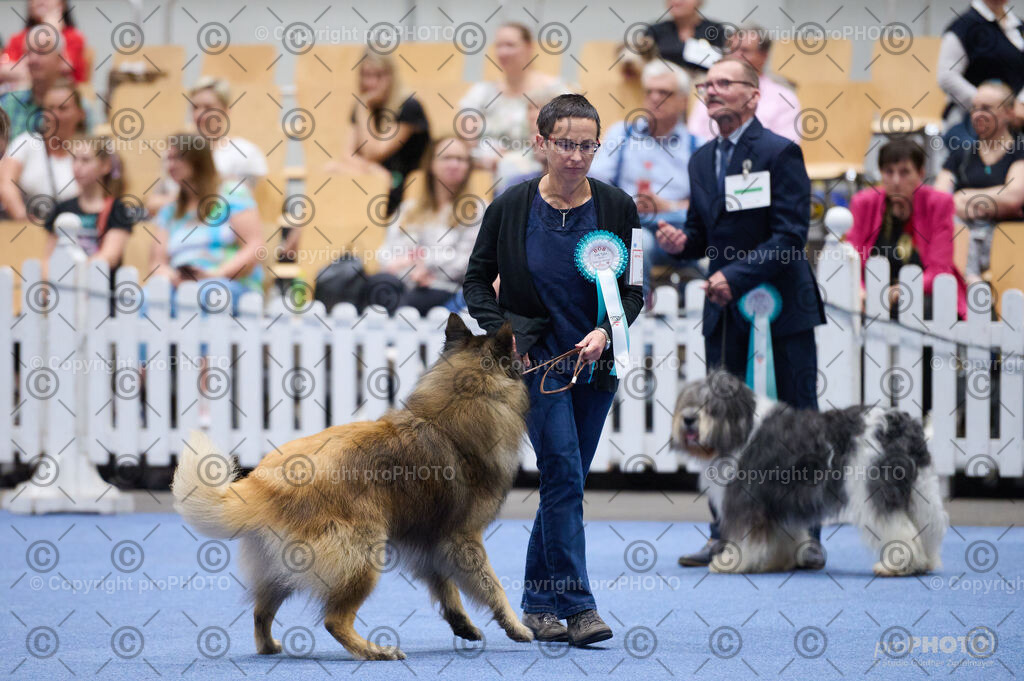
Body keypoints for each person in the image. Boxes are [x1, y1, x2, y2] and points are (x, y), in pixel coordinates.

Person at [463, 94, 643, 647]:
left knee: (566, 482)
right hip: (536, 362)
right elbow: (475, 282)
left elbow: (633, 290)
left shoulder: (619, 208)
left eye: (588, 145)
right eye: (566, 144)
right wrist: (505, 332)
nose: (578, 156)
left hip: (598, 363)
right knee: (564, 472)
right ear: (541, 143)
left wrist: (607, 332)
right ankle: (579, 606)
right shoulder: (510, 207)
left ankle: (537, 604)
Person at [655, 58, 826, 567]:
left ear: (754, 96)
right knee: (723, 426)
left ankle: (805, 537)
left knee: (798, 425)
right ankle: (724, 531)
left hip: (783, 312)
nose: (711, 90)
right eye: (707, 84)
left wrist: (737, 276)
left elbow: (790, 236)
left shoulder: (780, 152)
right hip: (726, 313)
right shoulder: (701, 159)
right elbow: (704, 235)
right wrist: (682, 242)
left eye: (724, 83)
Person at [588, 59, 703, 298]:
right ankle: (636, 316)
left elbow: (708, 204)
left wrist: (667, 206)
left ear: (683, 101)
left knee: (707, 243)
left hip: (679, 226)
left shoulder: (697, 145)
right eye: (649, 91)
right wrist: (626, 202)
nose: (654, 98)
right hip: (631, 226)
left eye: (664, 92)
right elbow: (594, 185)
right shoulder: (622, 133)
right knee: (641, 243)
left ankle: (695, 306)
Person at [846, 140, 968, 320]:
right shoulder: (863, 203)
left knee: (924, 308)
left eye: (904, 172)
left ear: (920, 173)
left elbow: (940, 270)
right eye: (889, 172)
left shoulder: (938, 204)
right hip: (872, 297)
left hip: (922, 294)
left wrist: (901, 290)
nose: (896, 181)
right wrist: (861, 291)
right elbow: (851, 259)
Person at [367, 136, 481, 315]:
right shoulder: (408, 210)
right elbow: (386, 255)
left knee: (403, 306)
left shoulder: (477, 211)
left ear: (468, 166)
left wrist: (425, 265)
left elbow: (469, 261)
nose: (454, 164)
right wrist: (412, 270)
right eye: (446, 157)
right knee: (378, 284)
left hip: (445, 288)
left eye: (460, 159)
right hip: (403, 284)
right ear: (432, 164)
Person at [150, 134, 264, 311]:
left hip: (228, 282)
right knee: (147, 299)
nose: (170, 165)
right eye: (168, 159)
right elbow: (157, 262)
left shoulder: (232, 194)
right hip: (179, 285)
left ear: (199, 160)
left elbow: (254, 246)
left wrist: (216, 274)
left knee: (205, 295)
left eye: (178, 158)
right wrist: (172, 277)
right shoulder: (170, 210)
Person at [934, 80, 1024, 282]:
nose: (977, 114)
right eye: (974, 108)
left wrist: (963, 197)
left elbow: (1013, 198)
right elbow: (940, 201)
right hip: (964, 237)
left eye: (986, 108)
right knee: (950, 222)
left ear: (1009, 113)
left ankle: (971, 280)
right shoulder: (961, 153)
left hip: (1008, 241)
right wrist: (993, 204)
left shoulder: (1020, 150)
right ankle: (971, 280)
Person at [325, 49, 429, 216]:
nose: (371, 83)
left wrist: (363, 107)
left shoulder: (409, 107)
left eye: (378, 75)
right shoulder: (362, 107)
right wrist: (372, 170)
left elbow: (374, 151)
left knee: (374, 183)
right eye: (366, 75)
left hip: (403, 186)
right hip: (376, 179)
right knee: (331, 169)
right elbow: (347, 155)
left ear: (391, 76)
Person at [146, 77, 269, 215]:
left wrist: (184, 200)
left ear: (226, 110)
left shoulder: (245, 152)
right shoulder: (175, 152)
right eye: (195, 107)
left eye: (208, 107)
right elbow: (153, 204)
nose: (199, 114)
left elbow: (243, 204)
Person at [458, 23, 568, 172]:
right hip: (488, 169)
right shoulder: (482, 92)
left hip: (539, 170)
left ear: (529, 47)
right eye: (499, 46)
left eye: (510, 45)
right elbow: (467, 137)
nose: (503, 52)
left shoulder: (554, 91)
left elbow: (568, 136)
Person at [686, 23, 801, 144]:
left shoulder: (784, 98)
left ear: (764, 56)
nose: (736, 56)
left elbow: (785, 147)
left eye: (744, 50)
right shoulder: (710, 92)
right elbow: (694, 140)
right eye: (732, 50)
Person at [43, 136, 136, 268]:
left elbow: (109, 257)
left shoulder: (117, 209)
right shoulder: (62, 208)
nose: (77, 166)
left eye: (85, 160)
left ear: (105, 166)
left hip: (100, 284)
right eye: (74, 159)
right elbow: (49, 258)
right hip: (64, 284)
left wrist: (76, 274)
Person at [0, 78, 86, 220]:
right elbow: (6, 184)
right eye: (50, 108)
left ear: (80, 114)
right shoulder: (26, 142)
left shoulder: (86, 152)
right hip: (28, 229)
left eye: (63, 108)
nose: (55, 115)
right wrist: (25, 220)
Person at [938, 0, 1024, 127]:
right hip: (970, 118)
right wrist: (988, 106)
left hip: (1016, 115)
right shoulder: (963, 27)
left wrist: (1020, 103)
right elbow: (947, 77)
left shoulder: (1018, 26)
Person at [0, 25, 74, 141]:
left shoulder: (76, 107)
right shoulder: (8, 104)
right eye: (28, 53)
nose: (33, 59)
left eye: (41, 52)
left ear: (60, 59)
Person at [0, 0, 88, 86]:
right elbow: (3, 71)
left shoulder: (74, 37)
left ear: (62, 4)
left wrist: (51, 31)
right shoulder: (17, 38)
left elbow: (63, 69)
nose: (40, 1)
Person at [643, 0, 726, 76]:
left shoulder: (714, 29)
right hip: (664, 84)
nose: (676, 1)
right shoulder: (654, 31)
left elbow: (720, 64)